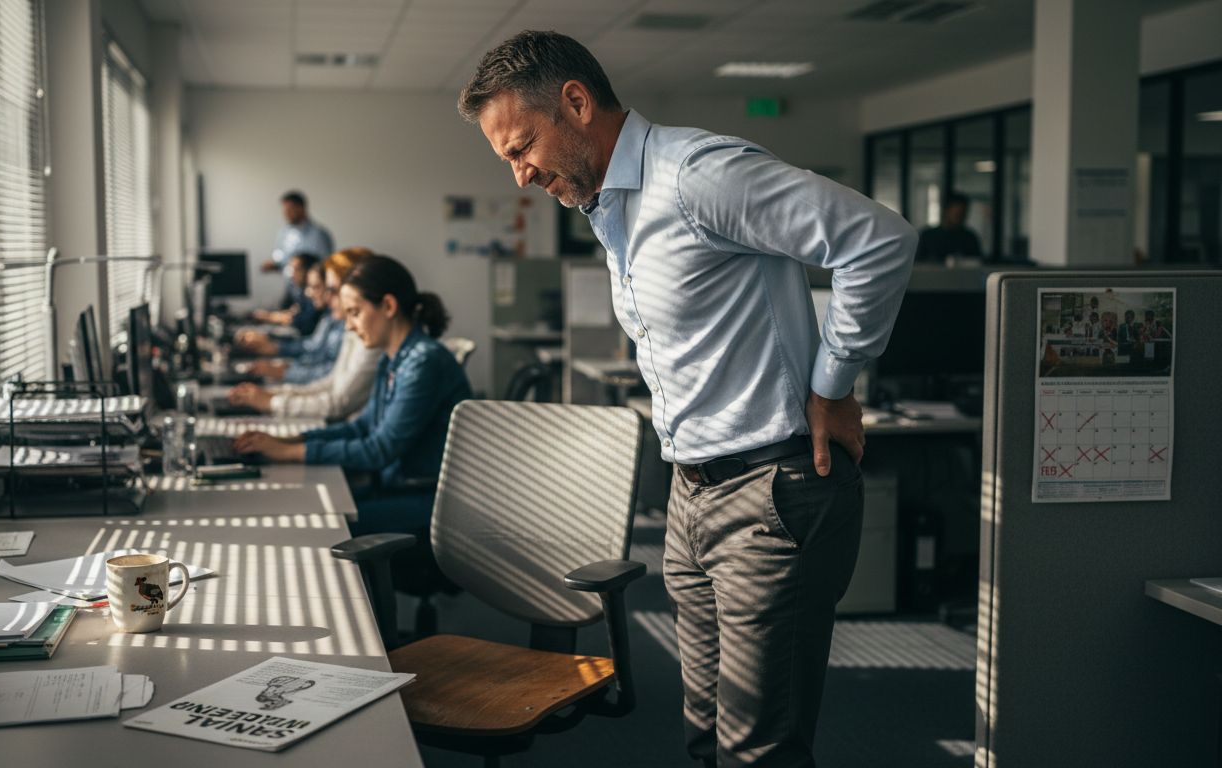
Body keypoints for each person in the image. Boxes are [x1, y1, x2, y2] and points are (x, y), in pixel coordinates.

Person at [459, 31, 915, 768]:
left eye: (522, 147)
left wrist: (835, 384)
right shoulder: (611, 208)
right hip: (692, 494)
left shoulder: (697, 175)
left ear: (575, 103)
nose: (520, 175)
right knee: (704, 740)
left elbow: (877, 240)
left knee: (755, 751)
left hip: (773, 493)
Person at [232, 255, 471, 535]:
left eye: (355, 312)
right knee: (301, 509)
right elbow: (362, 426)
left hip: (429, 500)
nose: (348, 325)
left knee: (311, 523)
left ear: (389, 306)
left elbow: (379, 449)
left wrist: (289, 452)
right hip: (396, 487)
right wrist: (291, 439)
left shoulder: (422, 362)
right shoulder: (393, 357)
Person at [229, 248, 381, 418]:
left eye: (331, 289)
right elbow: (333, 380)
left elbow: (338, 401)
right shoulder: (353, 329)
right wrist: (276, 394)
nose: (323, 295)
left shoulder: (370, 338)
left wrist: (275, 398)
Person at [266, 190, 334, 306]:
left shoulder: (318, 234)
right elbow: (279, 257)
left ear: (301, 208)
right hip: (290, 289)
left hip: (310, 292)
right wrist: (274, 263)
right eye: (284, 210)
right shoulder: (284, 233)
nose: (286, 214)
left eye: (289, 210)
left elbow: (324, 265)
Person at [250, 251, 322, 336]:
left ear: (308, 271)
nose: (291, 274)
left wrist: (271, 317)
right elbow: (293, 313)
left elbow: (303, 322)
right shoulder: (301, 292)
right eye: (291, 269)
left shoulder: (314, 295)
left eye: (296, 269)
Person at [914, 192, 983, 263]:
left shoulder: (970, 238)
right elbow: (919, 264)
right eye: (957, 214)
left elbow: (977, 263)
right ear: (946, 211)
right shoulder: (928, 236)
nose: (960, 218)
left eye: (963, 214)